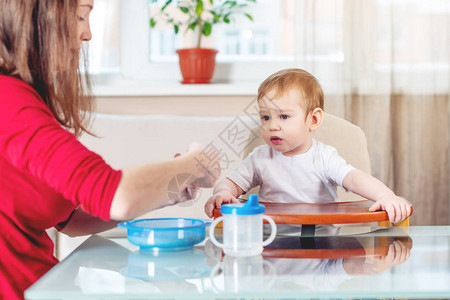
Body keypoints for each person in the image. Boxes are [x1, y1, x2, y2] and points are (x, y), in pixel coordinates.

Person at [0, 1, 220, 299]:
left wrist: (167, 191)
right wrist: (196, 164)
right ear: (39, 16)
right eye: (80, 16)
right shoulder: (8, 101)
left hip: (50, 287)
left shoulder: (21, 98)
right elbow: (115, 194)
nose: (87, 34)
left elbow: (73, 220)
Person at [204, 68, 411, 224]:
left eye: (284, 116)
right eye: (265, 117)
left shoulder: (324, 157)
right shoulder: (260, 157)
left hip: (322, 244)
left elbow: (355, 178)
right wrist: (223, 193)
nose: (272, 126)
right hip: (270, 242)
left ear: (313, 120)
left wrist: (385, 196)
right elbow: (231, 182)